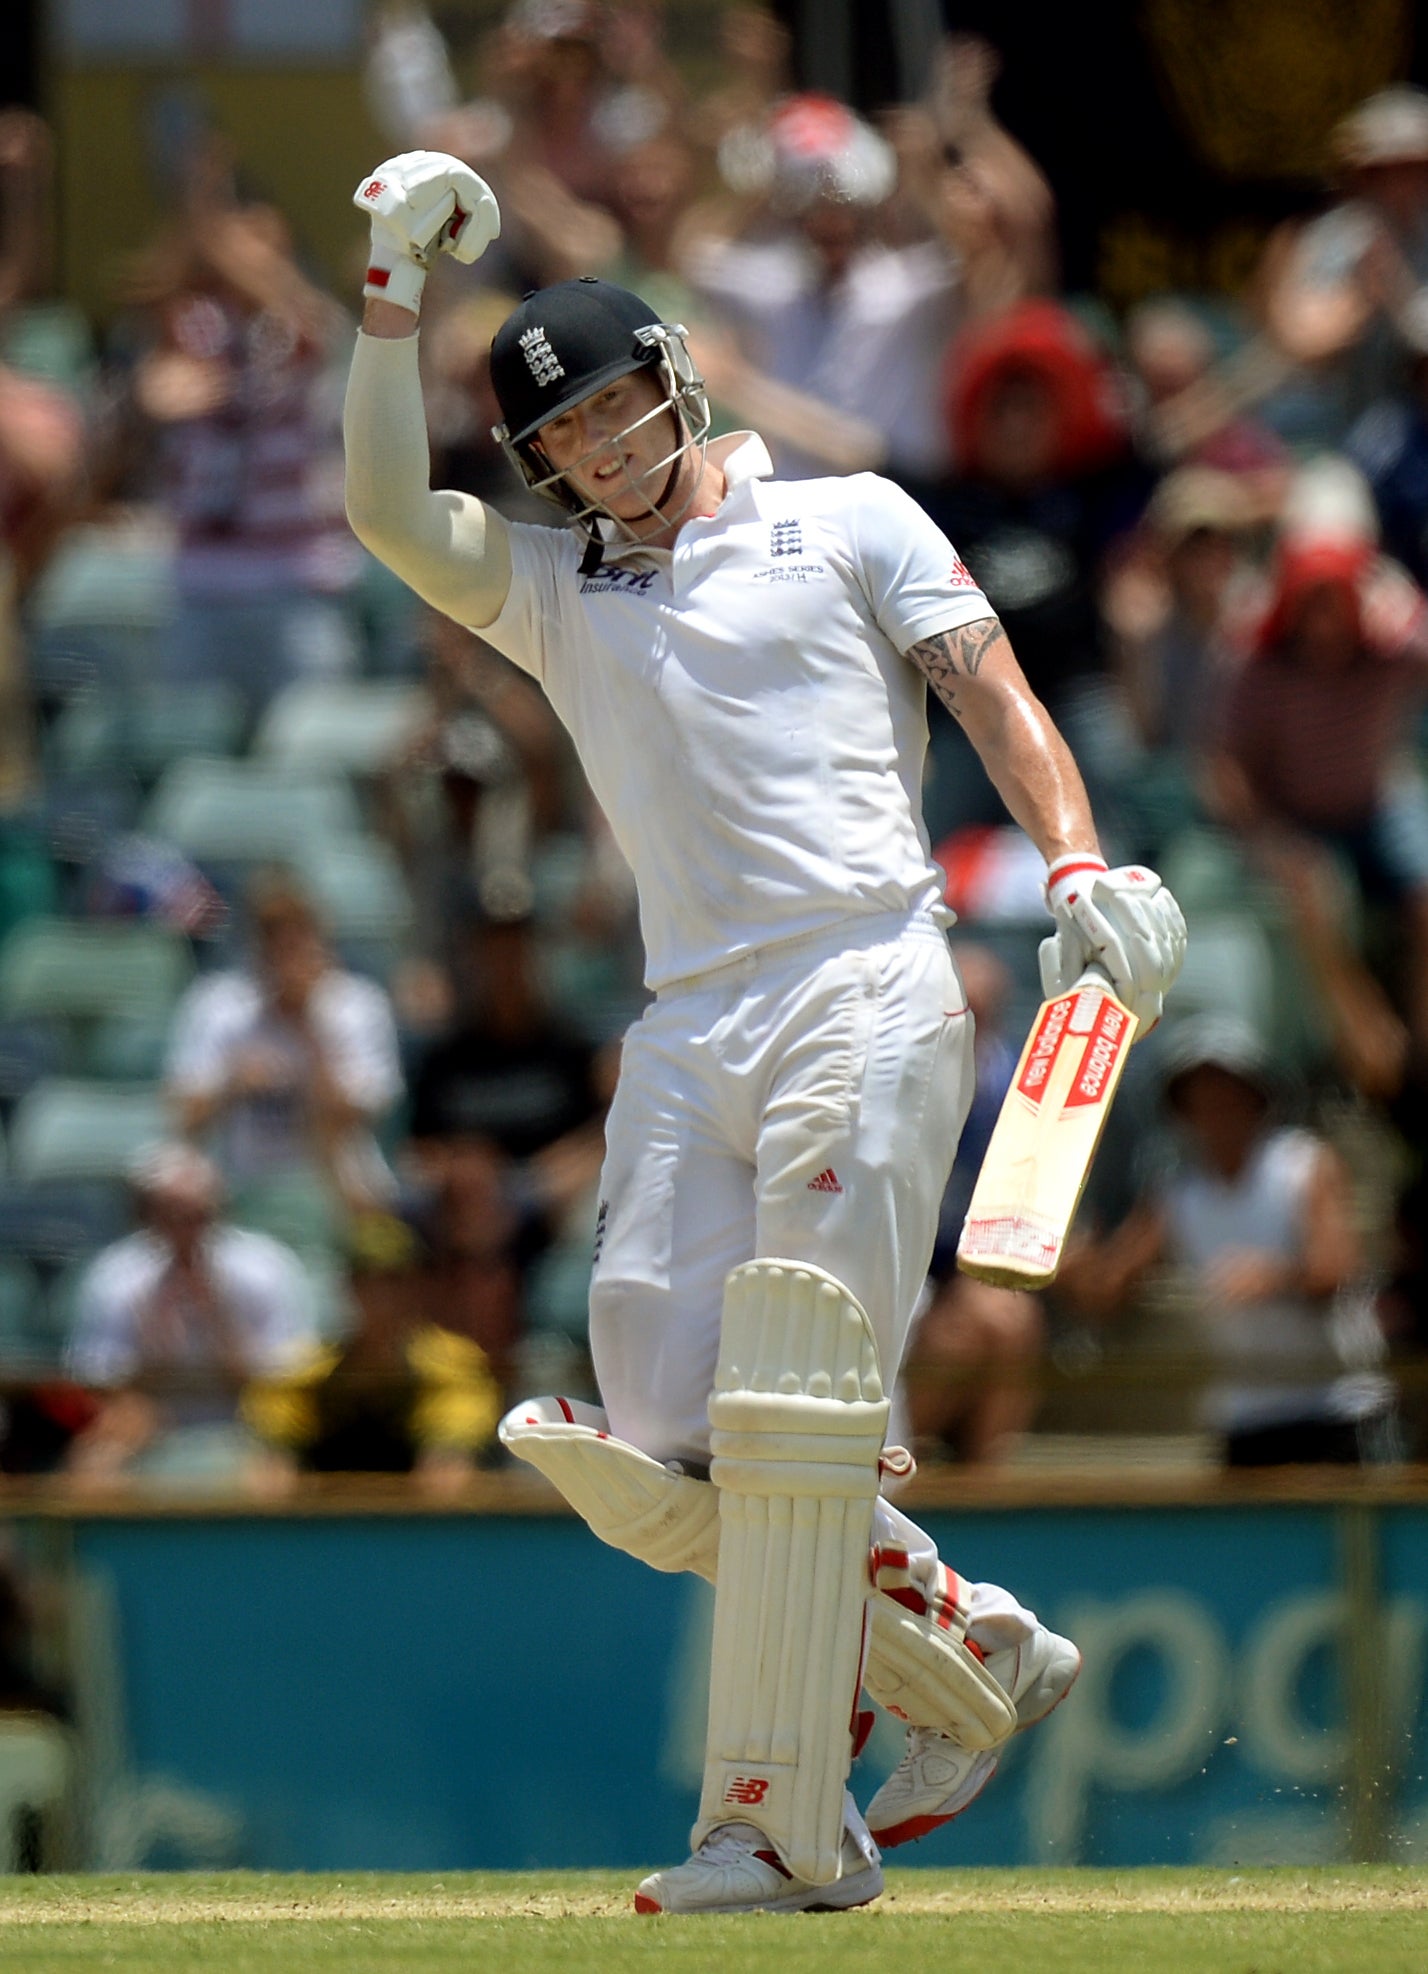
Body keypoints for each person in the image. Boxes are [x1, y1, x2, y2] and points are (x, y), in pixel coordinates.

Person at [342, 150, 1186, 1915]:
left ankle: (771, 1828)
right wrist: (385, 288)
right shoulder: (562, 586)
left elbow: (994, 692)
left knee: (789, 1407)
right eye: (556, 442)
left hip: (864, 977)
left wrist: (1077, 856)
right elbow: (378, 513)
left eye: (608, 412)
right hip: (682, 1018)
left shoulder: (858, 512)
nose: (592, 454)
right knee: (655, 1441)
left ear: (672, 378)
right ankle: (968, 1643)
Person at [1057, 1020, 1398, 1467]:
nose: (1216, 1110)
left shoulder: (1303, 1165)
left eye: (1226, 1093)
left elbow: (1340, 1269)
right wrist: (1066, 1259)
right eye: (1200, 1099)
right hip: (1243, 1415)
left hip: (1333, 1403)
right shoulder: (1177, 1195)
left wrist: (1276, 1276)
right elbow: (1108, 1290)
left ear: (1256, 1097)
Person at [63, 1142, 318, 1484]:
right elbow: (92, 1376)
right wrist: (150, 1356)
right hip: (145, 1419)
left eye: (197, 1215)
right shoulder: (117, 1274)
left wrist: (222, 1325)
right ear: (146, 1214)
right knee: (93, 1466)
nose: (185, 1229)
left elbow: (292, 1371)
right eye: (170, 1215)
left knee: (276, 1473)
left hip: (247, 1416)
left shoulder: (264, 1267)